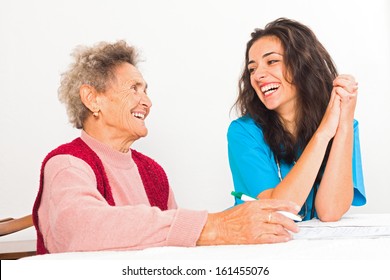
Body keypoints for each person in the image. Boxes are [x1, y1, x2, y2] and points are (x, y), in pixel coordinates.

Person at [32, 40, 299, 254]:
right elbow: (82, 230)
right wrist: (215, 227)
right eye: (134, 88)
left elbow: (171, 249)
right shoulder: (67, 164)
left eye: (146, 90)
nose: (147, 102)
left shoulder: (152, 172)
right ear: (92, 99)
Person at [228, 18, 366, 222]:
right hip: (262, 249)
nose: (258, 75)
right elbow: (276, 211)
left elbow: (330, 212)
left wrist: (344, 122)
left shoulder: (345, 126)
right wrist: (323, 133)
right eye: (252, 69)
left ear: (303, 64)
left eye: (272, 61)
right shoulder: (243, 132)